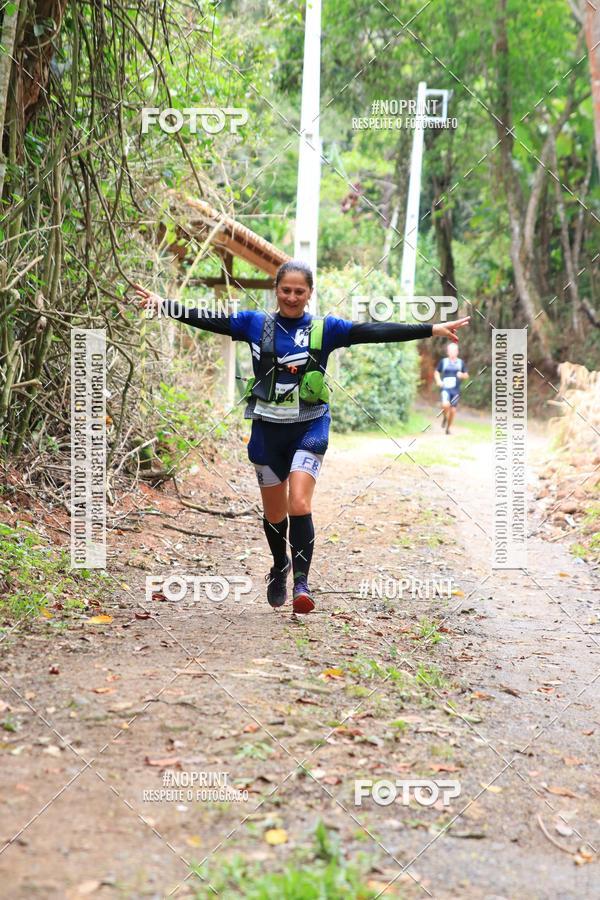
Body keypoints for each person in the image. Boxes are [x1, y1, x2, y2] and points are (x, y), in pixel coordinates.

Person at [132, 261, 470, 614]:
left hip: (310, 426)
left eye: (300, 291)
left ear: (310, 293)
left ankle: (302, 584)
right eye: (285, 290)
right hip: (266, 430)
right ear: (276, 290)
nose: (292, 297)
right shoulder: (254, 323)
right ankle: (280, 565)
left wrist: (431, 328)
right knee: (275, 513)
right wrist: (163, 303)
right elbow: (207, 318)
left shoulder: (327, 329)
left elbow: (374, 330)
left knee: (299, 504)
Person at [434, 342, 469, 434]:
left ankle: (448, 428)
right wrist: (438, 381)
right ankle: (445, 417)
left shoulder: (460, 363)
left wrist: (461, 375)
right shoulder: (444, 362)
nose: (452, 352)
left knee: (453, 410)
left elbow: (466, 375)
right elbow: (437, 372)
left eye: (454, 351)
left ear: (457, 352)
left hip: (455, 390)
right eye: (450, 351)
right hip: (445, 389)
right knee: (445, 405)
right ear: (447, 352)